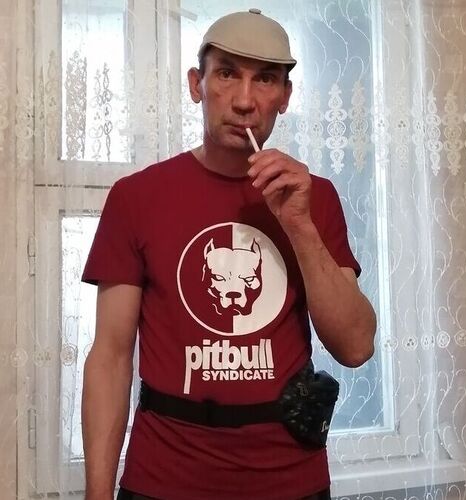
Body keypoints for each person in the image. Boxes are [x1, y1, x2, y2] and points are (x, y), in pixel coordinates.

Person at [81, 8, 376, 500]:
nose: (243, 101)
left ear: (285, 97)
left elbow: (356, 346)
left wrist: (299, 225)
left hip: (290, 481)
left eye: (265, 79)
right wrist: (97, 493)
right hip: (163, 480)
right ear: (196, 84)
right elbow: (110, 358)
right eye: (226, 74)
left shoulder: (315, 197)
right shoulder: (136, 197)